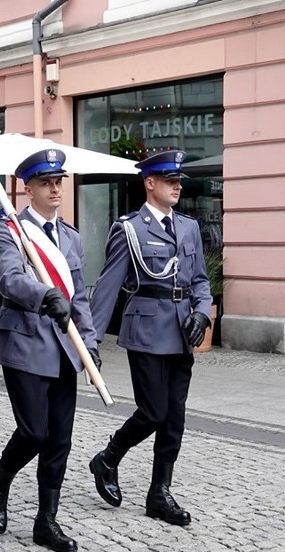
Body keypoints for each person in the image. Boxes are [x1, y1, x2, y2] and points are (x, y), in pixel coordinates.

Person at [0, 149, 98, 552]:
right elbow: (10, 279)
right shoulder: (9, 230)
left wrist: (91, 343)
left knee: (59, 439)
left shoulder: (70, 236)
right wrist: (45, 295)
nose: (55, 188)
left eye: (59, 181)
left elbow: (79, 295)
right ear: (27, 188)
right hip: (25, 342)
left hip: (66, 346)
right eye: (46, 183)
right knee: (34, 431)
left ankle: (46, 520)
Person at [88, 150, 211, 527]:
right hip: (145, 330)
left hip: (180, 333)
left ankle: (159, 492)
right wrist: (89, 342)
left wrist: (203, 313)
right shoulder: (129, 229)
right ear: (150, 183)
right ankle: (108, 457)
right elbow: (108, 287)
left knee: (174, 417)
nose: (177, 186)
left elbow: (201, 281)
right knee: (153, 412)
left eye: (179, 181)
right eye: (170, 180)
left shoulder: (188, 227)